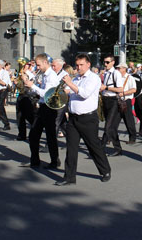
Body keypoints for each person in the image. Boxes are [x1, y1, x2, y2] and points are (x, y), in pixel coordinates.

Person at [57, 53, 112, 185]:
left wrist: (70, 84)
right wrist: (63, 90)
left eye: (81, 65)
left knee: (93, 146)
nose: (79, 67)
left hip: (88, 119)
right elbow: (70, 93)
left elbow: (84, 94)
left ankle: (105, 170)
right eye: (77, 65)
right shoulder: (76, 79)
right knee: (71, 148)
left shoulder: (93, 78)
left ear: (88, 64)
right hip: (73, 118)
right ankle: (69, 177)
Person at [22, 53, 61, 169]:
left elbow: (47, 94)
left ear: (45, 62)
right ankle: (35, 160)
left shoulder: (51, 76)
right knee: (34, 134)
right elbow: (41, 92)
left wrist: (32, 86)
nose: (37, 68)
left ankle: (55, 160)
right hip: (43, 107)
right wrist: (31, 89)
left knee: (50, 136)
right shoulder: (44, 75)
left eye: (38, 65)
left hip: (49, 108)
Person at [100, 56, 123, 154]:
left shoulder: (116, 73)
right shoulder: (105, 73)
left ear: (113, 62)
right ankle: (118, 149)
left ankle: (100, 148)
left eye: (107, 62)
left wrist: (106, 88)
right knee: (112, 128)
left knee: (108, 126)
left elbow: (120, 89)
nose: (105, 64)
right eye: (104, 62)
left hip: (113, 100)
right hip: (105, 99)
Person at [113, 62, 137, 154]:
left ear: (124, 69)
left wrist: (123, 93)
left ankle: (132, 137)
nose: (118, 69)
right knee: (114, 121)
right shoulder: (117, 77)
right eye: (117, 68)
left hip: (126, 100)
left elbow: (134, 89)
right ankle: (110, 137)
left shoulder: (129, 77)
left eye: (119, 68)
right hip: (118, 100)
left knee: (129, 120)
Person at [15, 60, 36, 141]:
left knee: (29, 115)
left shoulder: (31, 74)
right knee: (19, 116)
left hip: (28, 96)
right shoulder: (20, 74)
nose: (24, 67)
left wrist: (25, 79)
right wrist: (17, 83)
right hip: (21, 95)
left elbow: (32, 83)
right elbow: (19, 86)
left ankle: (36, 129)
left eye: (26, 65)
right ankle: (21, 134)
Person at [51, 57, 69, 137]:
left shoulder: (65, 75)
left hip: (60, 101)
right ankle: (71, 138)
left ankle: (49, 146)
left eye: (54, 66)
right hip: (53, 101)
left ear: (60, 66)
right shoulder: (52, 73)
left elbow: (68, 90)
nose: (52, 67)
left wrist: (58, 92)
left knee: (55, 122)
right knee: (63, 123)